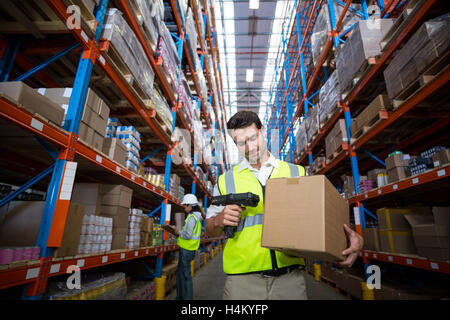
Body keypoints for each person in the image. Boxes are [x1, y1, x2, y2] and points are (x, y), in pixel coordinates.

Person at [205, 110, 364, 300]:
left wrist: (350, 239)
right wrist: (218, 220)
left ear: (263, 132)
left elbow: (322, 218)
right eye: (241, 143)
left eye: (253, 138)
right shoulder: (225, 181)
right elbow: (209, 230)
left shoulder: (295, 172)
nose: (249, 147)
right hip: (242, 283)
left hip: (289, 281)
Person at [167, 193, 204, 300]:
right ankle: (180, 296)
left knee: (186, 276)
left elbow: (188, 235)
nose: (184, 207)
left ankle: (187, 298)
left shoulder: (192, 218)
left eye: (185, 205)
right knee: (181, 274)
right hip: (188, 249)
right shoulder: (196, 217)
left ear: (191, 206)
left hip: (187, 250)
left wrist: (178, 232)